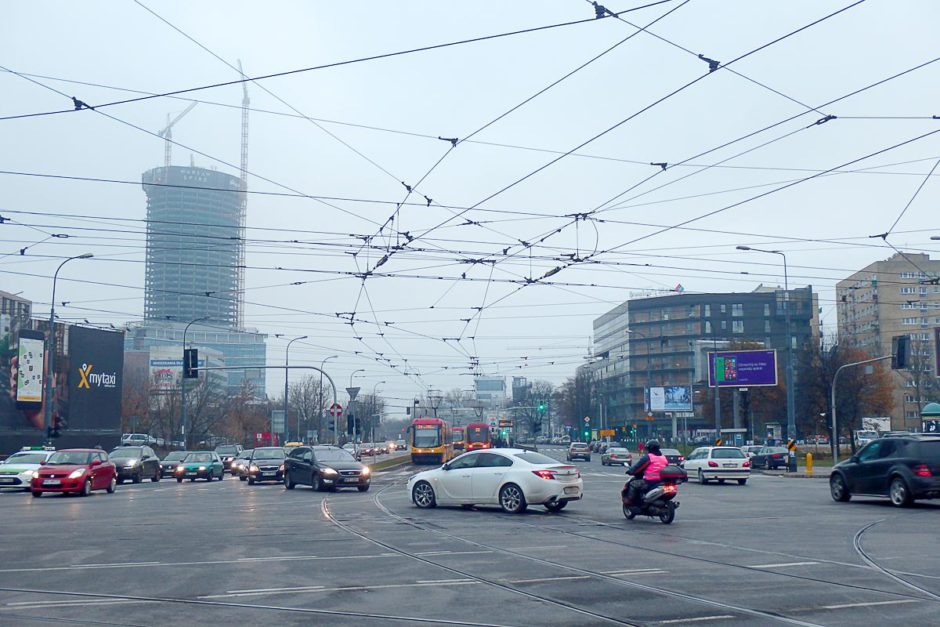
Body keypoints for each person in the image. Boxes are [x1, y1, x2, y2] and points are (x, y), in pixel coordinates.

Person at [624, 440, 669, 506]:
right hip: (662, 481)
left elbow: (637, 467)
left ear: (649, 448)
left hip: (650, 481)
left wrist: (630, 471)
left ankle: (630, 501)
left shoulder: (648, 457)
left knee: (633, 484)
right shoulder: (663, 458)